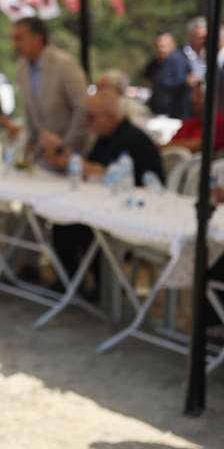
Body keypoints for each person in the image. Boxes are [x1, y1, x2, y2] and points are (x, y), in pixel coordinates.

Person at [49, 91, 165, 298]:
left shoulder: (130, 138)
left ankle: (100, 287)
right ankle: (72, 282)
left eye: (91, 117)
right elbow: (94, 169)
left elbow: (105, 173)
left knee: (80, 224)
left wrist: (67, 158)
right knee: (64, 220)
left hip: (141, 208)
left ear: (111, 117)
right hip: (115, 201)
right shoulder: (106, 136)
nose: (88, 122)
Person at [13, 17, 88, 164]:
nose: (15, 45)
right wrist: (30, 144)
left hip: (72, 154)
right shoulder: (22, 69)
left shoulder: (64, 64)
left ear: (37, 38)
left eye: (19, 39)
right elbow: (30, 112)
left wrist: (64, 145)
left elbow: (83, 106)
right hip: (42, 155)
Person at [143, 32, 191, 119]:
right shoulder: (154, 63)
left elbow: (180, 82)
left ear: (173, 45)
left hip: (175, 113)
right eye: (158, 46)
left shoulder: (178, 60)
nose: (161, 50)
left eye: (164, 46)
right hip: (157, 111)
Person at [164, 85, 224, 153]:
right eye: (192, 95)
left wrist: (174, 145)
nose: (193, 100)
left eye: (199, 96)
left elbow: (202, 144)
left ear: (212, 100)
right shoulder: (190, 123)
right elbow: (169, 144)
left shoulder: (220, 121)